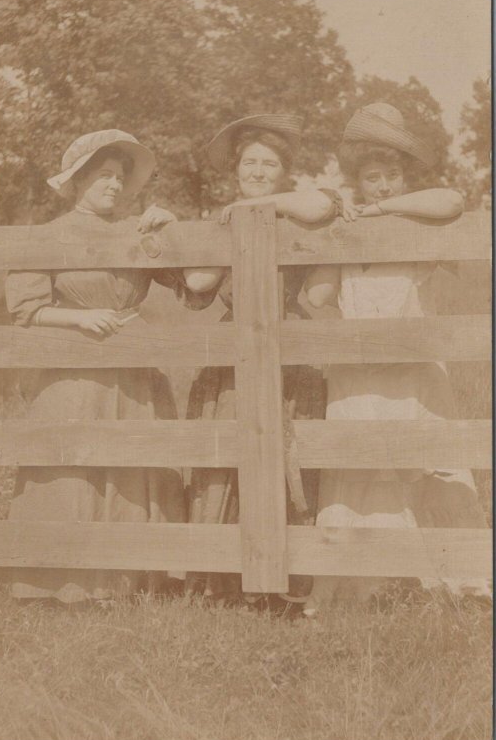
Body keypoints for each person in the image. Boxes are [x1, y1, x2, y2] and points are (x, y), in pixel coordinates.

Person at [303, 103, 488, 613]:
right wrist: (345, 344)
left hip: (413, 373)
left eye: (392, 176)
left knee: (424, 464)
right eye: (372, 179)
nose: (383, 186)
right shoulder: (345, 232)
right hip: (358, 377)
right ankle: (364, 583)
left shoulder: (415, 227)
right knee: (361, 468)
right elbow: (313, 300)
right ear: (356, 183)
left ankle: (445, 581)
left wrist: (385, 211)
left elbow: (452, 199)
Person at [5, 129, 185, 604]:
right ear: (77, 181)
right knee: (73, 468)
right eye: (102, 176)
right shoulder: (47, 236)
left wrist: (170, 226)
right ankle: (63, 583)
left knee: (132, 466)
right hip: (74, 367)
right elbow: (27, 309)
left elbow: (190, 278)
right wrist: (79, 317)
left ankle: (128, 583)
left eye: (120, 178)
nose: (113, 185)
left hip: (133, 369)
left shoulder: (136, 231)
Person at [178, 114, 341, 603]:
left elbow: (320, 203)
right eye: (250, 162)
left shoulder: (297, 210)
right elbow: (199, 284)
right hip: (235, 351)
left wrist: (258, 205)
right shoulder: (222, 217)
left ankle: (290, 579)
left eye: (269, 164)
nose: (258, 170)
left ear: (283, 174)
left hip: (290, 347)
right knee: (228, 456)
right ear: (236, 169)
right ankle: (220, 579)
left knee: (291, 450)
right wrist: (222, 224)